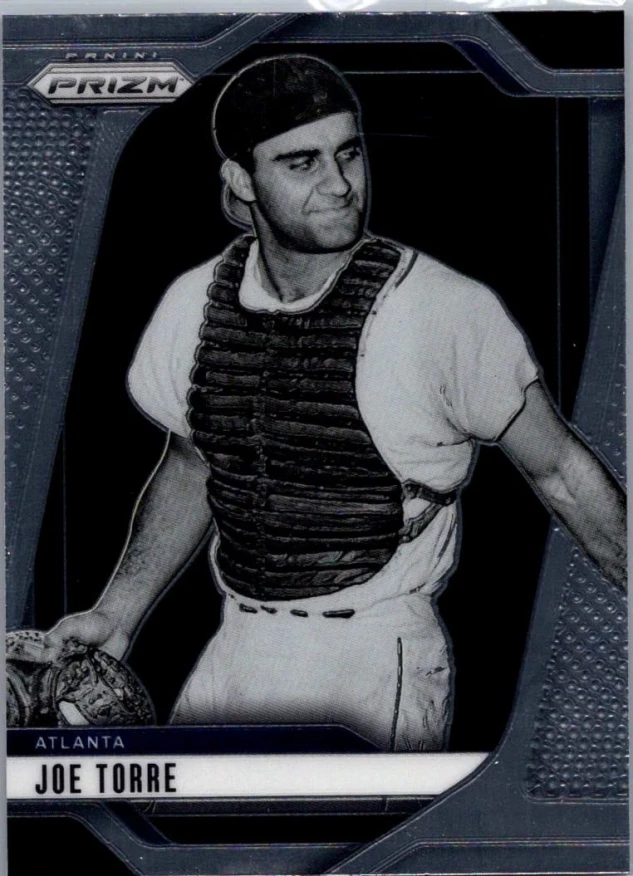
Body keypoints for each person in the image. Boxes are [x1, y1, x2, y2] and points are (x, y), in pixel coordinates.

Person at [45, 55, 626, 751]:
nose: (340, 183)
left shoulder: (441, 311)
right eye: (302, 163)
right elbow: (195, 463)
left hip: (372, 653)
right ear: (241, 180)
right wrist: (118, 612)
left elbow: (559, 469)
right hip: (237, 642)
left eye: (347, 153)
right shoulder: (193, 304)